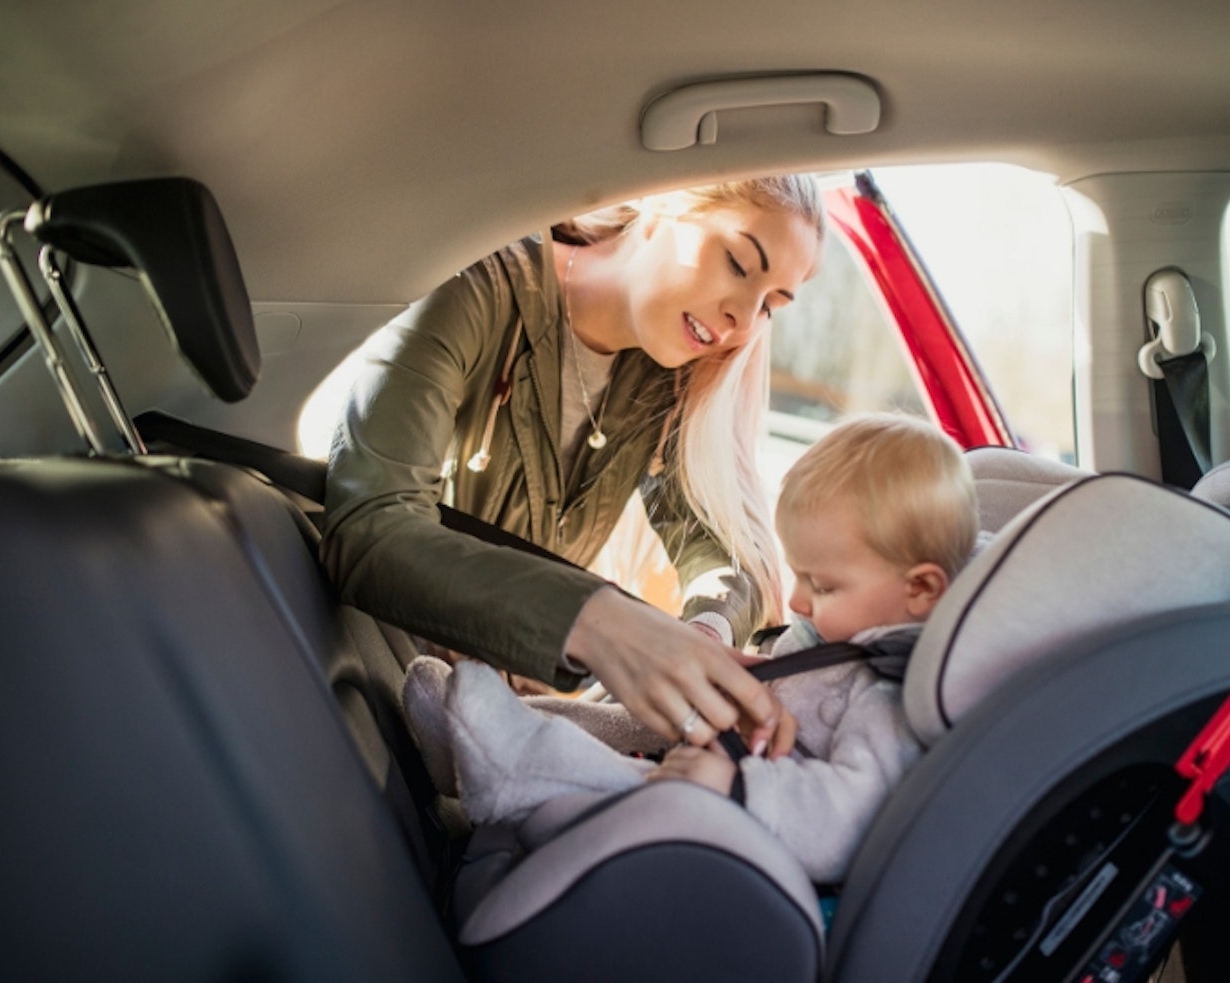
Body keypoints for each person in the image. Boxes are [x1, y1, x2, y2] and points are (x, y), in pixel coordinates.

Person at [322, 177, 826, 750]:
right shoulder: (478, 288)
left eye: (771, 305)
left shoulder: (668, 371)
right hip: (385, 685)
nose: (743, 317)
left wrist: (705, 633)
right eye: (737, 263)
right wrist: (595, 622)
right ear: (663, 203)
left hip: (500, 713)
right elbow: (369, 527)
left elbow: (717, 546)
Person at [403, 413, 980, 883]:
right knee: (628, 719)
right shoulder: (846, 637)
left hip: (730, 826)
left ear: (920, 589)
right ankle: (471, 735)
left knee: (627, 780)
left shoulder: (891, 698)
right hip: (725, 749)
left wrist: (734, 787)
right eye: (798, 575)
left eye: (824, 586)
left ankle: (508, 759)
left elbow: (844, 823)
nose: (798, 601)